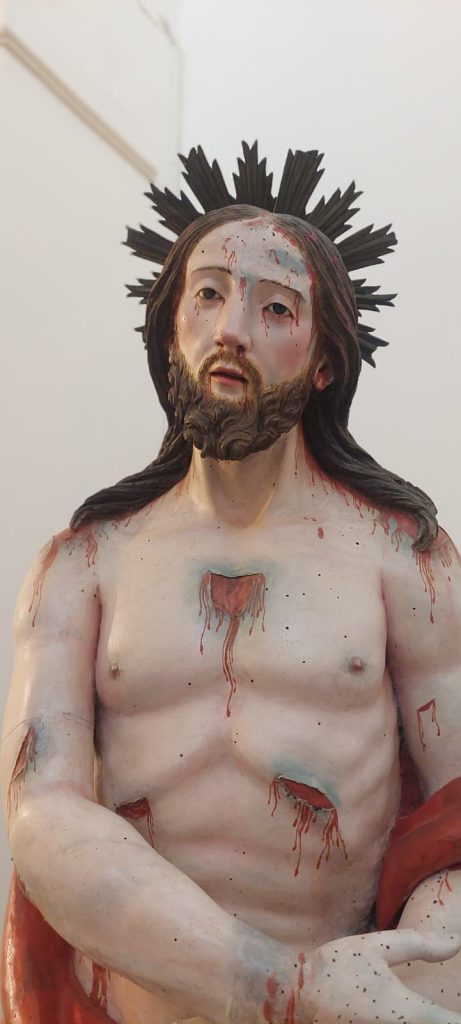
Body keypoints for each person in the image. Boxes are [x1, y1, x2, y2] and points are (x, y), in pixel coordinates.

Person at [2, 143, 461, 1024]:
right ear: (168, 329)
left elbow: (457, 816)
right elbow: (42, 813)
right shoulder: (86, 564)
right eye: (207, 294)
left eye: (275, 306)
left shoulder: (404, 558)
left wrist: (411, 982)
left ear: (323, 361)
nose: (232, 330)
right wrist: (284, 990)